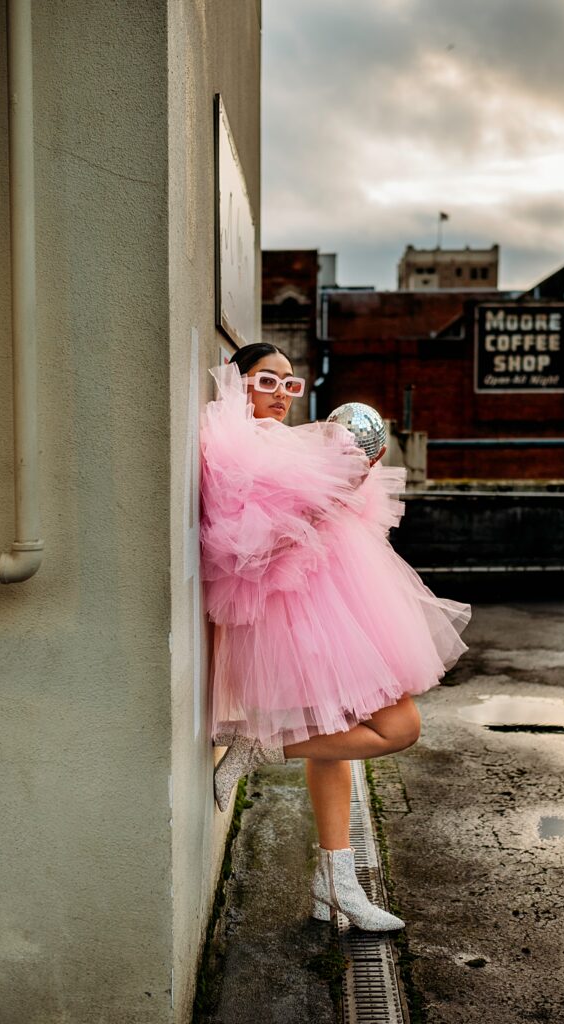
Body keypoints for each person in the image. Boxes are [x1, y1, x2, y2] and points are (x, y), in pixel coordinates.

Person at [200, 342, 471, 931]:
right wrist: (329, 496)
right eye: (267, 380)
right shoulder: (232, 448)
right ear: (236, 381)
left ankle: (337, 885)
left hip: (340, 609)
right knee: (396, 730)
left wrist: (347, 481)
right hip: (295, 618)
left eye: (290, 386)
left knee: (348, 741)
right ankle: (259, 749)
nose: (280, 394)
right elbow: (247, 547)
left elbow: (346, 518)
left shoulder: (294, 446)